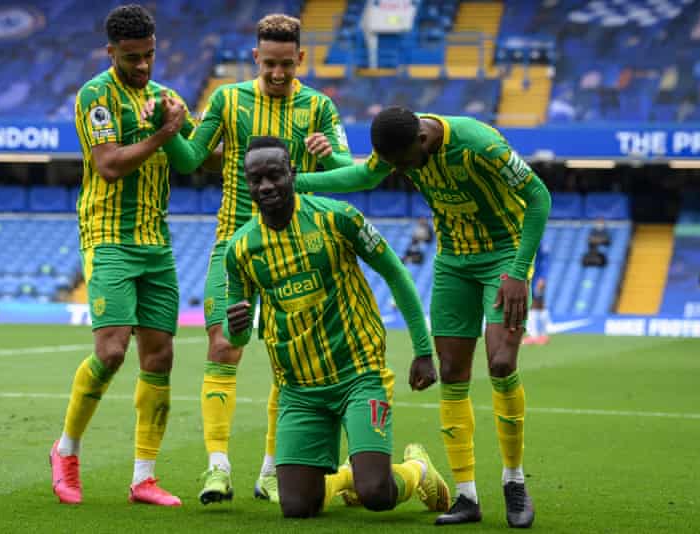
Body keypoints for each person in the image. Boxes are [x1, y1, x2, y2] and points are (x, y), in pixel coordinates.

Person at [293, 106, 550, 527]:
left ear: (423, 141)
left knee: (502, 363)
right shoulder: (399, 145)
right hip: (452, 262)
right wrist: (296, 183)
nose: (400, 171)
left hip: (504, 257)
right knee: (451, 372)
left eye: (404, 163)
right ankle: (466, 496)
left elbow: (539, 195)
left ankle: (514, 481)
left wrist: (519, 271)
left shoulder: (479, 143)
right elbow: (361, 176)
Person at [161, 14, 354, 504]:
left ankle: (270, 470)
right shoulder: (227, 100)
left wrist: (329, 155)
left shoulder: (319, 108)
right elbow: (188, 160)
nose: (277, 74)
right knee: (224, 347)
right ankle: (217, 468)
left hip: (294, 253)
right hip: (233, 246)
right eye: (269, 63)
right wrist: (172, 128)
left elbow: (350, 173)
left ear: (300, 60)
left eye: (286, 65)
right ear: (254, 58)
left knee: (290, 362)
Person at [224, 136, 449, 518]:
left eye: (274, 175)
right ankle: (348, 476)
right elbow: (239, 335)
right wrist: (236, 327)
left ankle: (419, 470)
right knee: (297, 507)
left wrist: (423, 350)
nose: (265, 187)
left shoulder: (337, 218)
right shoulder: (241, 248)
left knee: (377, 492)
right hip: (298, 390)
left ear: (292, 173)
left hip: (358, 375)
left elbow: (396, 273)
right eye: (255, 179)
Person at [48, 4, 196, 507]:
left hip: (157, 241)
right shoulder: (96, 95)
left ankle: (144, 478)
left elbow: (198, 155)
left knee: (160, 355)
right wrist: (163, 135)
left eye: (149, 55)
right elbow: (109, 165)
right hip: (108, 234)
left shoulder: (167, 98)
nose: (143, 66)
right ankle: (65, 451)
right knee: (111, 351)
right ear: (110, 51)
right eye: (132, 57)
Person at [523, 244, 550, 345]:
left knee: (536, 303)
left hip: (536, 276)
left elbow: (545, 260)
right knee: (537, 304)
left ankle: (536, 335)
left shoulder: (538, 240)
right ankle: (540, 335)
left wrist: (543, 277)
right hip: (532, 274)